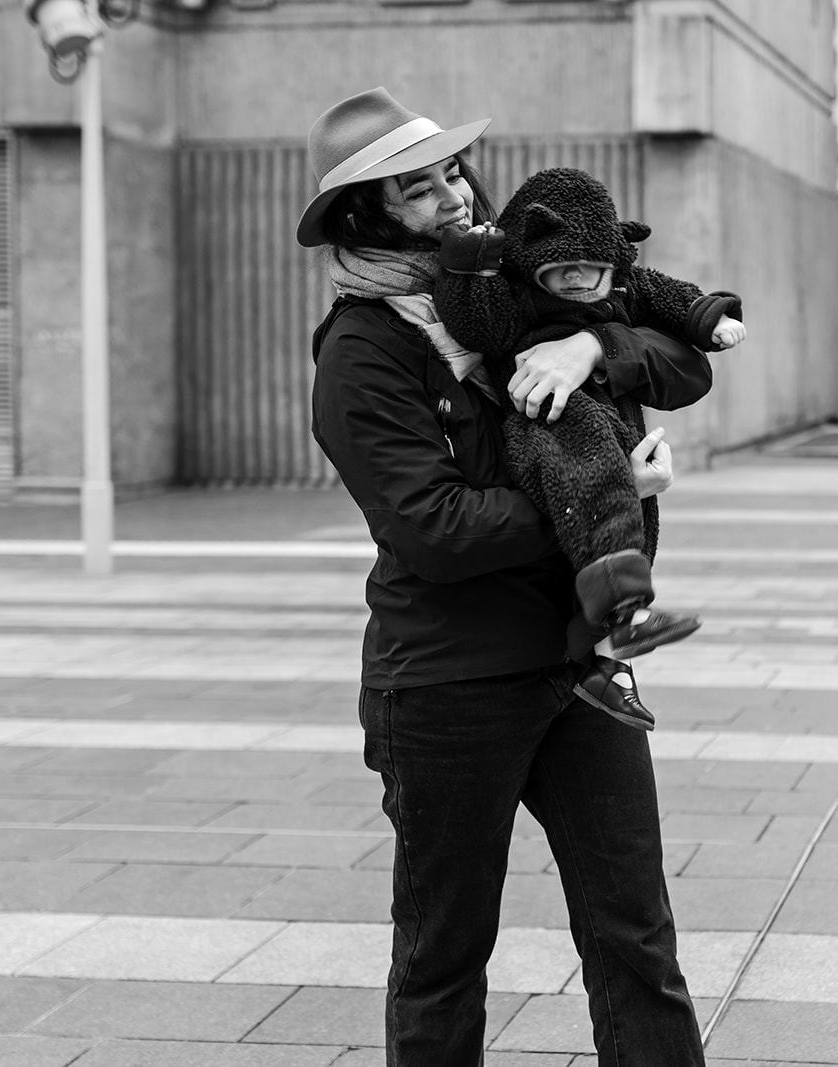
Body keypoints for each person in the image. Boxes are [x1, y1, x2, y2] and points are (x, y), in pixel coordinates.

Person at [302, 86, 709, 1067]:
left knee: (636, 940)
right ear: (365, 215)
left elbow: (680, 354)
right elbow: (434, 529)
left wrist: (589, 343)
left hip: (575, 669)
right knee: (444, 959)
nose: (450, 196)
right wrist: (595, 500)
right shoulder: (363, 351)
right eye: (415, 189)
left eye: (448, 171)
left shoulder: (516, 288)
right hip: (448, 685)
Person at [433, 166, 747, 730]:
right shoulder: (516, 294)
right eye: (563, 269)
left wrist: (709, 319)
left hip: (619, 440)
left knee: (629, 528)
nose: (579, 280)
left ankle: (610, 665)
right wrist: (470, 267)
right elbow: (478, 323)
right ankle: (624, 618)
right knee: (604, 505)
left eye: (592, 268)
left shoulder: (626, 286)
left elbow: (672, 302)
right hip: (549, 425)